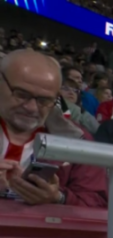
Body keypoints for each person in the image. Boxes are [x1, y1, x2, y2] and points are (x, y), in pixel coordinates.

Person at [0, 49, 107, 207]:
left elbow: (98, 202)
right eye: (21, 94)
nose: (31, 107)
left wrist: (58, 198)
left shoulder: (78, 140)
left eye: (44, 100)